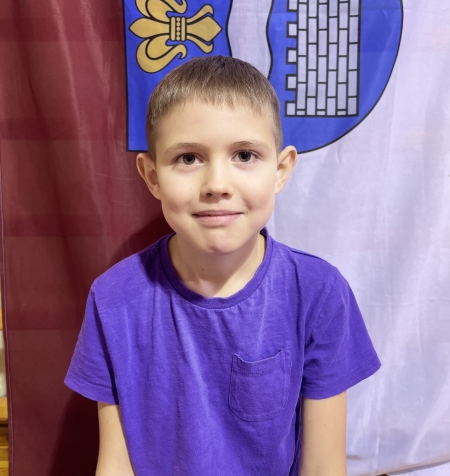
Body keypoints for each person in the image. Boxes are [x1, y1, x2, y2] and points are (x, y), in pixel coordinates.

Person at [65, 55, 381, 476]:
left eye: (245, 155)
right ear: (152, 176)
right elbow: (115, 464)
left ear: (281, 170)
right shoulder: (114, 299)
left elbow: (323, 466)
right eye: (188, 158)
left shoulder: (319, 293)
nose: (216, 184)